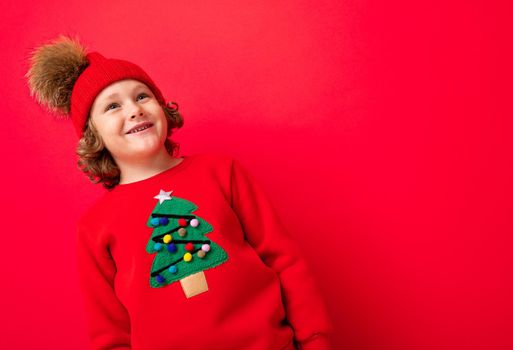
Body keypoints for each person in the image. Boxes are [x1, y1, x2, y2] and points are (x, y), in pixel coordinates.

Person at [25, 34, 334, 350]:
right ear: (94, 136)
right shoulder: (94, 228)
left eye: (142, 96)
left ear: (162, 107)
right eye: (113, 105)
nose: (134, 110)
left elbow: (284, 258)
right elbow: (110, 332)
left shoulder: (220, 172)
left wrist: (314, 339)